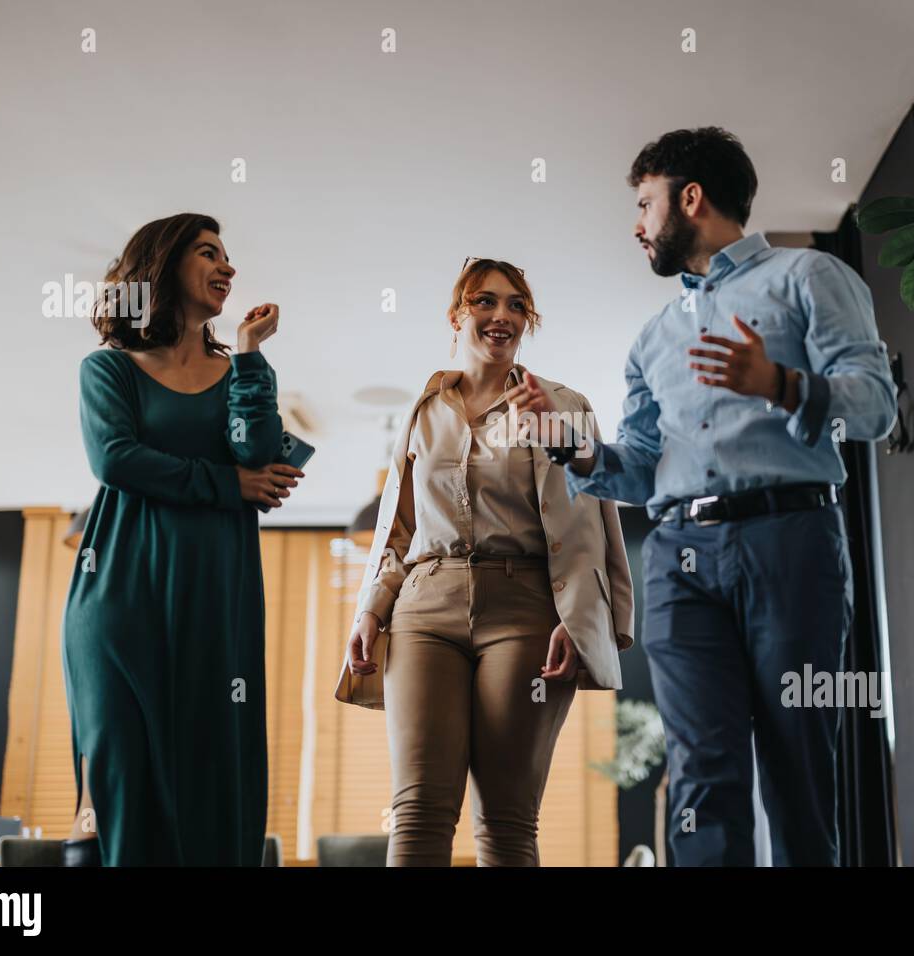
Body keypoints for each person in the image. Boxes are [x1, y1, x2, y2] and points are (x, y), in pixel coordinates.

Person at [516, 128, 897, 866]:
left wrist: (780, 385)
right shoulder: (651, 339)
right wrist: (573, 445)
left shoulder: (808, 276)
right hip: (679, 558)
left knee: (798, 768)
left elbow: (876, 409)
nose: (636, 224)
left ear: (691, 198)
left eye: (644, 202)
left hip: (790, 542)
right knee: (701, 771)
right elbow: (642, 467)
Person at [340, 258, 633, 866]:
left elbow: (587, 531)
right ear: (457, 315)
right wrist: (370, 609)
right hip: (424, 607)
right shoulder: (425, 411)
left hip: (525, 610)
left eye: (517, 306)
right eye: (485, 301)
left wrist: (577, 620)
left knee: (505, 822)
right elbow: (398, 531)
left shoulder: (563, 404)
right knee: (417, 814)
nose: (502, 315)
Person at [61, 213, 304, 865]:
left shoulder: (239, 371)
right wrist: (231, 486)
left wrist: (251, 355)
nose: (227, 266)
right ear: (164, 266)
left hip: (216, 600)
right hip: (117, 594)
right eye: (208, 253)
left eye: (228, 256)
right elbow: (115, 459)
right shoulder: (108, 369)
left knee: (213, 770)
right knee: (118, 773)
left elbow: (254, 449)